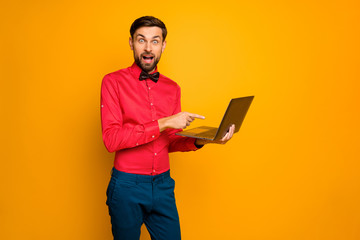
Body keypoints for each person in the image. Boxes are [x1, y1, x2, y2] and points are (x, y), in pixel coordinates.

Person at [100, 16, 235, 240]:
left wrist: (205, 140)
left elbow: (168, 141)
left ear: (163, 46)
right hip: (127, 187)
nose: (147, 47)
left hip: (163, 186)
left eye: (155, 41)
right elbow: (111, 139)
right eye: (141, 40)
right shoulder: (112, 82)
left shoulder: (172, 88)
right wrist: (163, 122)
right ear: (131, 43)